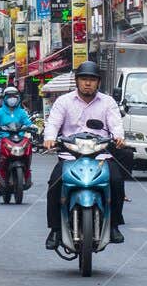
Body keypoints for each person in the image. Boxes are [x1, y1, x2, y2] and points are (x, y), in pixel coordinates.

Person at [42, 60, 127, 248]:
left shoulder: (108, 102)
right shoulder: (63, 101)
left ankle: (114, 225)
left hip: (100, 156)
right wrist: (49, 138)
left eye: (92, 79)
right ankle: (55, 230)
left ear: (98, 82)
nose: (88, 83)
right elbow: (53, 123)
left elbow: (116, 124)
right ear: (77, 81)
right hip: (70, 156)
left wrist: (119, 137)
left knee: (116, 182)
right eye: (84, 79)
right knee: (54, 185)